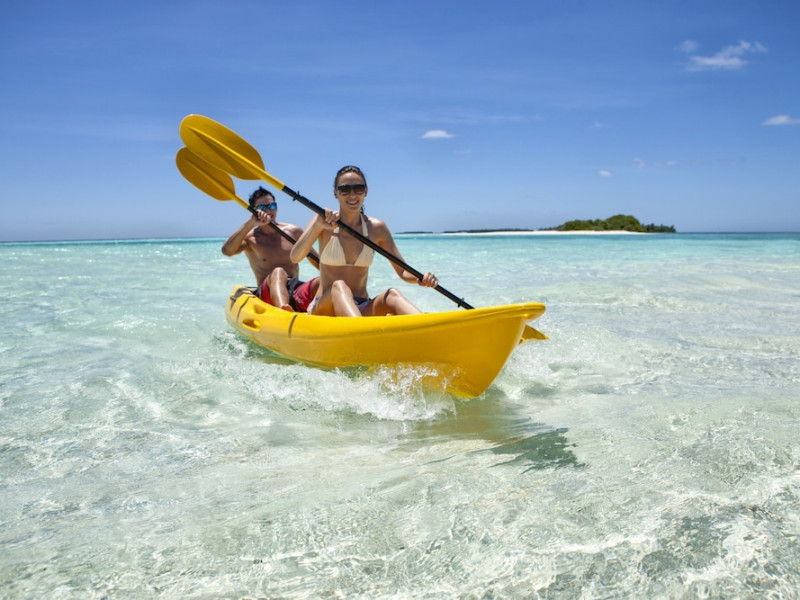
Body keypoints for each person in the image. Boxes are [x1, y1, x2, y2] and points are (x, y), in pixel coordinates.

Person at [289, 165, 438, 317]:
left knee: (392, 295)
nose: (352, 195)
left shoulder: (377, 228)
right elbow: (295, 257)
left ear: (366, 191)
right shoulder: (322, 221)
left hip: (361, 305)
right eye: (345, 189)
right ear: (336, 193)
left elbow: (403, 271)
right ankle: (361, 329)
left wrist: (421, 278)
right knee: (339, 286)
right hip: (325, 308)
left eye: (358, 188)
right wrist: (317, 226)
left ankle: (429, 327)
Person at [221, 187, 319, 311]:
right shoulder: (251, 238)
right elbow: (227, 251)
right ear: (254, 211)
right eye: (263, 208)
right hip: (266, 293)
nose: (268, 211)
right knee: (278, 272)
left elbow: (317, 262)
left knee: (320, 282)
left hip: (294, 289)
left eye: (272, 206)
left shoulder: (294, 231)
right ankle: (283, 310)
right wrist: (250, 223)